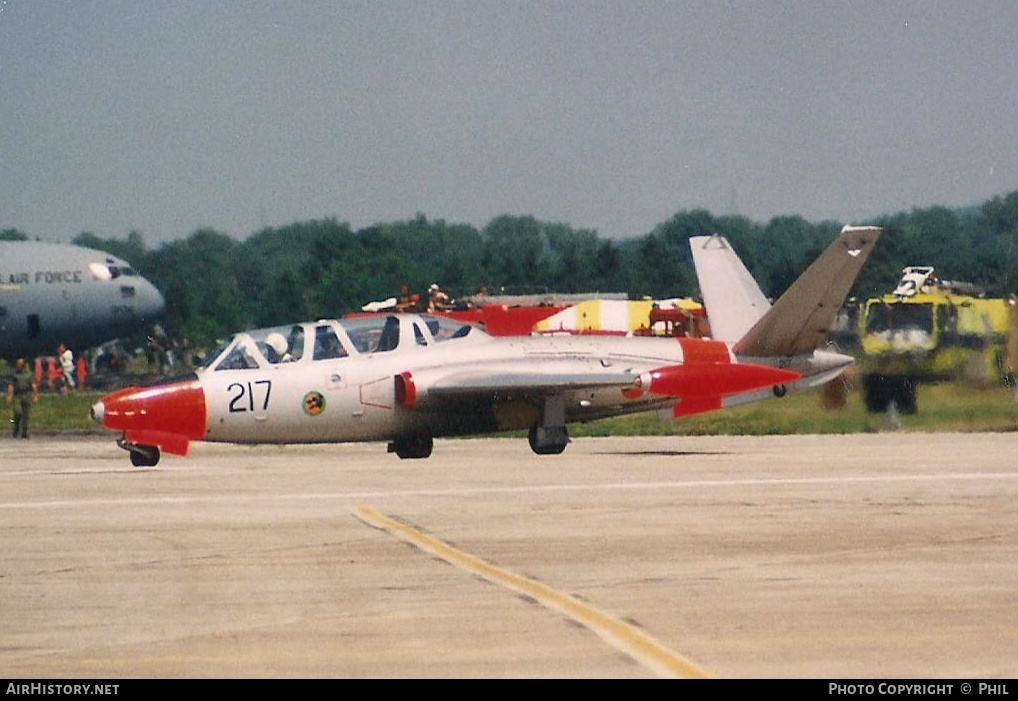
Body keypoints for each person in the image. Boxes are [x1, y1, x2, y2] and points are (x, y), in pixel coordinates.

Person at [7, 358, 40, 439]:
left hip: (26, 395)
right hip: (17, 395)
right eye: (18, 363)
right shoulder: (15, 374)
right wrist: (9, 396)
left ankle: (25, 432)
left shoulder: (29, 374)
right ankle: (16, 428)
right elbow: (11, 385)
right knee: (18, 412)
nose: (18, 365)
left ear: (23, 365)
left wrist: (35, 396)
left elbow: (33, 386)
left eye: (20, 364)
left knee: (26, 415)